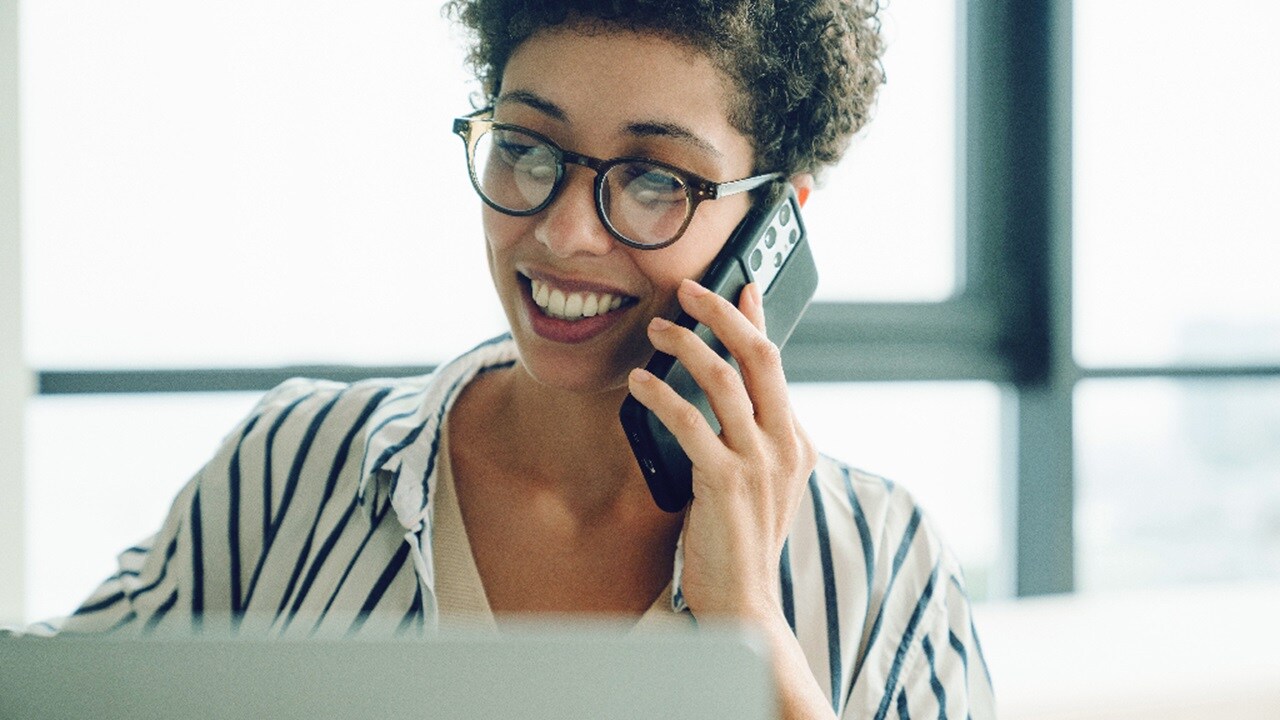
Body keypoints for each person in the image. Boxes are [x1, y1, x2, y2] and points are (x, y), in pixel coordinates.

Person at [51, 1, 994, 717]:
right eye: (528, 147)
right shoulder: (294, 463)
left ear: (773, 223)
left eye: (657, 177)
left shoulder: (884, 567)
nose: (564, 230)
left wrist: (750, 627)